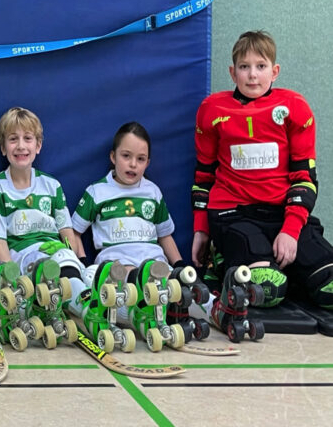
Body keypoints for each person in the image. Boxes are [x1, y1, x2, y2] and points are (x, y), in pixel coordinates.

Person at [192, 30, 333, 315]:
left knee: (328, 287)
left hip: (282, 213)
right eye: (244, 67)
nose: (253, 75)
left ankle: (292, 270)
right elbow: (203, 178)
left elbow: (305, 180)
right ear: (233, 72)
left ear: (274, 71)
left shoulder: (294, 108)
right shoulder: (211, 109)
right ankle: (224, 261)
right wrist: (201, 230)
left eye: (261, 66)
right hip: (233, 213)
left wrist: (290, 231)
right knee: (267, 288)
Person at [70, 122, 211, 352]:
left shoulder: (152, 192)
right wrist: (82, 262)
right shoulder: (97, 192)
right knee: (111, 279)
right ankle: (146, 312)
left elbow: (165, 235)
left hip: (154, 266)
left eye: (141, 159)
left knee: (185, 289)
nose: (133, 164)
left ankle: (216, 311)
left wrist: (179, 266)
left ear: (148, 163)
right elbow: (75, 231)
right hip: (117, 267)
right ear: (113, 157)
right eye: (126, 156)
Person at [0, 107, 84, 350]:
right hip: (23, 257)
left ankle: (90, 307)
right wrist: (11, 282)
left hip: (57, 253)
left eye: (27, 138)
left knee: (81, 273)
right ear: (3, 147)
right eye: (13, 139)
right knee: (48, 267)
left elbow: (66, 232)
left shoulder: (51, 185)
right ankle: (74, 305)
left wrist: (75, 259)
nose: (21, 146)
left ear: (38, 145)